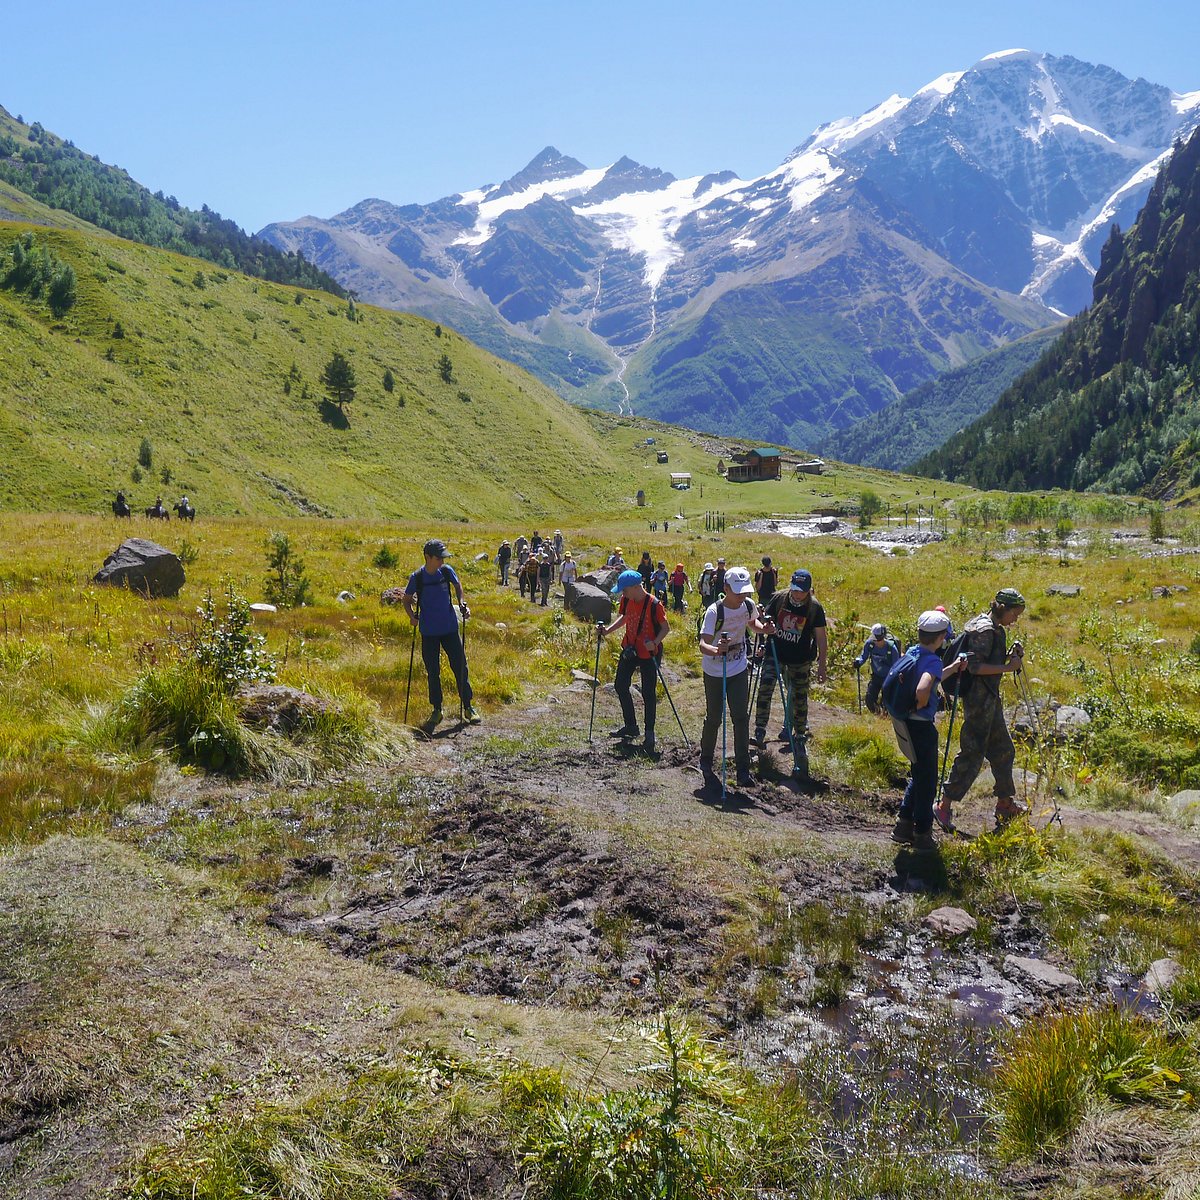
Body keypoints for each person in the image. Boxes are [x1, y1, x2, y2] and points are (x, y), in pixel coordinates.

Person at [935, 588, 1030, 832]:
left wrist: (1008, 656)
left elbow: (987, 659)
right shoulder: (985, 630)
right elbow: (975, 668)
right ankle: (943, 806)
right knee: (972, 754)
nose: (1016, 618)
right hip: (979, 702)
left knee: (1004, 750)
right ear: (1004, 609)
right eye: (1015, 613)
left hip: (990, 701)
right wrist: (1009, 668)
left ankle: (1005, 804)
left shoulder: (992, 627)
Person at [890, 611, 968, 850]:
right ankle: (922, 833)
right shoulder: (933, 660)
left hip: (905, 722)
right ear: (941, 637)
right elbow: (925, 686)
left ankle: (903, 824)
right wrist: (921, 702)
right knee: (928, 781)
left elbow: (931, 677)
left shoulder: (915, 651)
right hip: (922, 726)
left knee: (919, 774)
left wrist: (953, 668)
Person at [698, 567, 770, 788]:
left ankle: (742, 771)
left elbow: (753, 624)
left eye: (745, 591)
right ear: (726, 588)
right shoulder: (714, 611)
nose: (742, 596)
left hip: (738, 668)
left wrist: (765, 629)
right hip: (715, 672)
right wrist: (716, 650)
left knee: (740, 717)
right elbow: (703, 644)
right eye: (737, 591)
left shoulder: (748, 606)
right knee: (714, 718)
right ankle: (706, 762)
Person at [754, 568, 828, 780]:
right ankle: (759, 730)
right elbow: (761, 622)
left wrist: (822, 665)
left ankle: (799, 736)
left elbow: (821, 638)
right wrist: (764, 628)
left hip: (800, 660)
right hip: (775, 653)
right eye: (795, 590)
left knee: (799, 697)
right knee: (765, 687)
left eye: (802, 591)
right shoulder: (778, 599)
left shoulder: (814, 608)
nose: (797, 595)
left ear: (809, 590)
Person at [402, 539, 480, 728]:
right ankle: (437, 710)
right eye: (439, 558)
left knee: (460, 666)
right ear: (428, 557)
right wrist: (412, 616)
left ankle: (468, 707)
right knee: (433, 671)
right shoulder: (417, 577)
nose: (442, 561)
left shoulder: (446, 571)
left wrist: (462, 603)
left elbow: (458, 586)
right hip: (428, 631)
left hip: (449, 628)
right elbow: (406, 599)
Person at [599, 569, 669, 752]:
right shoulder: (627, 600)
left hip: (649, 653)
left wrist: (655, 643)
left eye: (624, 590)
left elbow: (665, 628)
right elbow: (624, 617)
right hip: (630, 648)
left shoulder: (654, 604)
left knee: (648, 692)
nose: (623, 594)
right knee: (620, 685)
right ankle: (631, 726)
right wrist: (607, 631)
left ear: (635, 587)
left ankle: (649, 732)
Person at [854, 623, 901, 713]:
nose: (877, 641)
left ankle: (884, 716)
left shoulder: (892, 648)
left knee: (886, 702)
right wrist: (858, 662)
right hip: (876, 676)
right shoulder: (869, 644)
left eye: (878, 638)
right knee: (869, 699)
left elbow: (896, 666)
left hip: (888, 678)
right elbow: (864, 657)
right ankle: (877, 714)